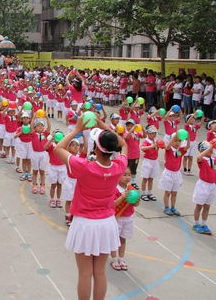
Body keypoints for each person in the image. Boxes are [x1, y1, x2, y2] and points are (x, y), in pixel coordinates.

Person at [54, 119, 127, 300]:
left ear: (95, 148)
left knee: (85, 273)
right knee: (100, 273)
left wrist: (77, 130)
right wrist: (104, 127)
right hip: (107, 223)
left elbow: (58, 148)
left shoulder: (84, 166)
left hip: (85, 223)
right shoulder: (119, 167)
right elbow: (123, 143)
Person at [110, 167, 140, 271]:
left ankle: (121, 259)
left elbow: (135, 204)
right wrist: (122, 197)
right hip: (117, 218)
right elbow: (112, 204)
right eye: (124, 175)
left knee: (123, 239)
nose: (127, 177)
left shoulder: (131, 189)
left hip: (128, 218)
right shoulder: (114, 189)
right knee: (114, 240)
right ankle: (114, 259)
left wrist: (137, 201)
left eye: (129, 175)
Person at [159, 133, 190, 216]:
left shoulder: (180, 150)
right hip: (168, 173)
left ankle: (173, 207)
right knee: (167, 192)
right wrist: (174, 137)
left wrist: (188, 138)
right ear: (171, 141)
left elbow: (187, 147)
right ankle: (166, 207)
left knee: (174, 193)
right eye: (175, 141)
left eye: (179, 141)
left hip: (176, 173)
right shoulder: (169, 150)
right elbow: (168, 146)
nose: (177, 143)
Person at [192, 141, 216, 234]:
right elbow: (198, 157)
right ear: (202, 150)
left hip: (212, 185)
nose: (210, 150)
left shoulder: (214, 159)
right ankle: (196, 224)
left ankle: (204, 223)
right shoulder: (202, 160)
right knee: (199, 205)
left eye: (211, 149)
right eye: (207, 148)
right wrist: (208, 148)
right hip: (203, 185)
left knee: (207, 206)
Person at [139, 125, 160, 202]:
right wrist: (152, 146)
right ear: (147, 133)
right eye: (152, 133)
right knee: (145, 178)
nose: (154, 135)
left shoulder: (156, 141)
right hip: (148, 161)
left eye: (155, 133)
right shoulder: (147, 141)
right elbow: (142, 148)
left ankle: (150, 193)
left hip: (155, 161)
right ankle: (143, 193)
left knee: (151, 178)